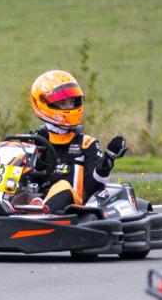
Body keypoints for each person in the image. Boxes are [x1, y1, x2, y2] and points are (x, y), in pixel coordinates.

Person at [28, 70, 127, 213]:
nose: (70, 107)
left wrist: (107, 161)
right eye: (63, 103)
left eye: (72, 102)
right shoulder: (33, 143)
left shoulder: (87, 144)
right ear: (43, 104)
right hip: (32, 202)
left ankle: (39, 212)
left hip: (73, 211)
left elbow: (94, 186)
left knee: (63, 186)